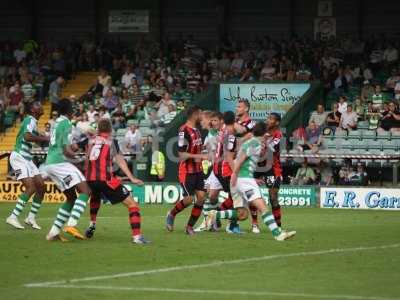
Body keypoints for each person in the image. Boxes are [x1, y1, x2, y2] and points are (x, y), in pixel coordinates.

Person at [207, 122, 296, 241]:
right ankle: (277, 233)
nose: (268, 136)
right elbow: (241, 158)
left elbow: (243, 156)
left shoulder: (255, 143)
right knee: (262, 206)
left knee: (242, 214)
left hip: (240, 180)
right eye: (267, 134)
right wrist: (234, 174)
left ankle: (214, 214)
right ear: (264, 133)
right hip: (244, 180)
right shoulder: (254, 143)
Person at [84, 119, 149, 244]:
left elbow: (87, 158)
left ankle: (92, 223)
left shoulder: (90, 141)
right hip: (105, 179)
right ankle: (137, 237)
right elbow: (120, 161)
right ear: (110, 130)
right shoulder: (111, 142)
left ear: (98, 129)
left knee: (95, 197)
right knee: (133, 205)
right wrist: (132, 178)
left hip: (90, 179)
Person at [41, 98, 91, 241]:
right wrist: (80, 160)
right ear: (69, 110)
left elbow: (62, 145)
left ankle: (53, 233)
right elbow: (66, 150)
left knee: (71, 198)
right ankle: (71, 224)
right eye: (72, 107)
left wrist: (75, 149)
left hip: (49, 163)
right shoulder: (66, 123)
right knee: (86, 190)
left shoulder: (56, 122)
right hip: (59, 162)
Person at [6, 102, 50, 230]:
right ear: (32, 109)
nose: (41, 106)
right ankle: (13, 217)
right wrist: (45, 139)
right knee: (31, 188)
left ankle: (30, 218)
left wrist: (44, 138)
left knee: (41, 187)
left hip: (27, 159)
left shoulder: (34, 123)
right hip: (19, 157)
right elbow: (27, 136)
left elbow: (34, 137)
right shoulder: (29, 120)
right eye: (38, 105)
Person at [165, 105, 208, 235]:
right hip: (187, 171)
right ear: (195, 115)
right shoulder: (183, 131)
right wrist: (200, 156)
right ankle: (171, 214)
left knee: (201, 197)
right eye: (200, 113)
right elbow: (181, 154)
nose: (202, 116)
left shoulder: (197, 130)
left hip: (198, 170)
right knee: (189, 199)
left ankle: (189, 227)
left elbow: (197, 149)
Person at [254, 113, 284, 229]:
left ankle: (278, 226)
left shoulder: (278, 135)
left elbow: (272, 149)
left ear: (276, 122)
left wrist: (264, 140)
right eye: (267, 118)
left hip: (272, 167)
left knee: (273, 197)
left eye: (271, 119)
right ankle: (254, 224)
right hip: (257, 165)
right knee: (252, 194)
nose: (268, 120)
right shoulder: (261, 131)